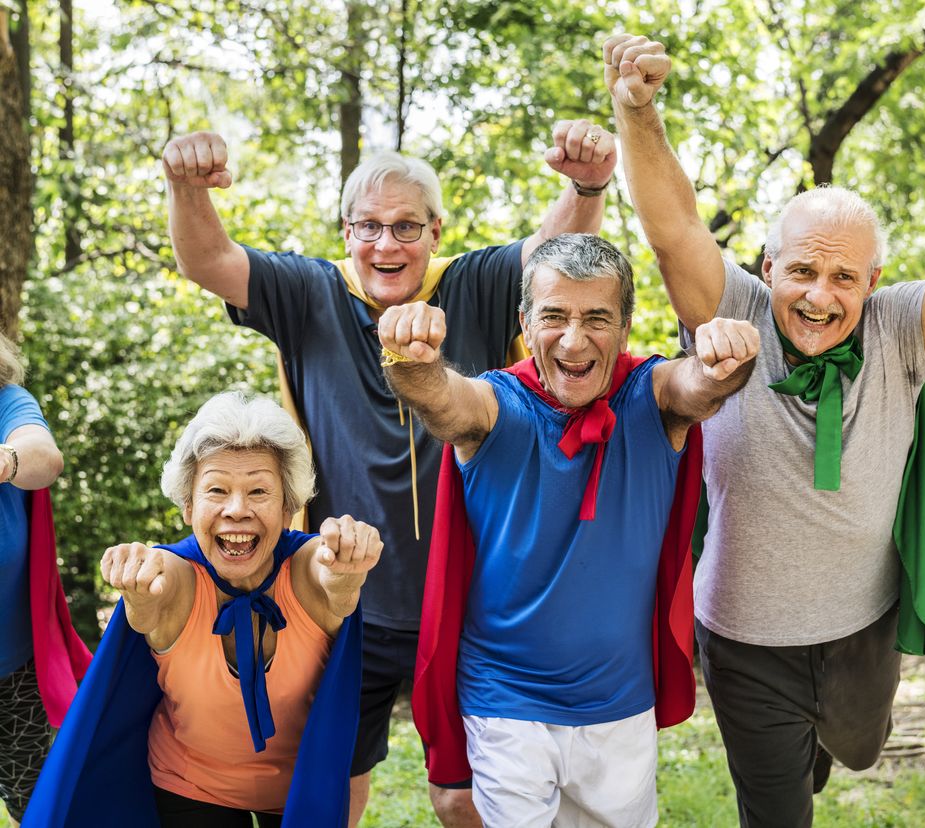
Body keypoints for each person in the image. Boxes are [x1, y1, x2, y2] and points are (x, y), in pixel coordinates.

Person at [161, 120, 618, 826]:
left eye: (406, 227)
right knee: (330, 785)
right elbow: (209, 260)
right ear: (346, 233)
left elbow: (552, 256)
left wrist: (587, 186)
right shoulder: (309, 291)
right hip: (343, 596)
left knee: (466, 795)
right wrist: (187, 188)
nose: (386, 244)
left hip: (471, 597)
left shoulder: (473, 282)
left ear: (435, 231)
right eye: (369, 227)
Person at [606, 32, 925, 827]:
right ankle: (790, 750)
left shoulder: (896, 330)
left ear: (872, 282)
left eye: (844, 276)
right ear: (768, 266)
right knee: (777, 812)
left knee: (859, 745)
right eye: (803, 271)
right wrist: (637, 111)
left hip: (863, 631)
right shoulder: (732, 310)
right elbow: (674, 231)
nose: (820, 295)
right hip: (744, 639)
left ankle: (820, 740)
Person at [379, 233, 759, 826]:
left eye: (597, 319)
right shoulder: (498, 404)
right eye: (554, 316)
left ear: (625, 328)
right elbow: (442, 401)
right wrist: (414, 361)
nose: (574, 340)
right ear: (526, 324)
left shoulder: (651, 394)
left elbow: (700, 387)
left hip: (619, 705)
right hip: (505, 703)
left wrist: (725, 360)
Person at [23, 392, 381, 827]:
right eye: (216, 490)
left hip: (298, 791)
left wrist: (347, 563)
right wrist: (138, 586)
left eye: (258, 491)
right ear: (188, 506)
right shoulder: (174, 572)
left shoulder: (309, 566)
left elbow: (335, 584)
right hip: (188, 784)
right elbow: (151, 603)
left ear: (288, 507)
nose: (237, 510)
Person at [0, 331, 90, 828]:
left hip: (14, 669)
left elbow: (44, 456)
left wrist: (6, 459)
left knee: (37, 805)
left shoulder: (7, 401)